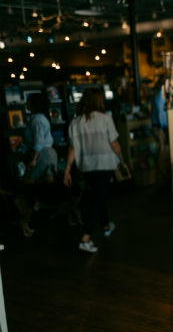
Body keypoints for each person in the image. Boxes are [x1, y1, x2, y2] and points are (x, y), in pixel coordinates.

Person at [63, 88, 126, 253]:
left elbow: (72, 149)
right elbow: (114, 144)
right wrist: (122, 159)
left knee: (99, 196)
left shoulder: (75, 123)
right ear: (98, 101)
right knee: (98, 199)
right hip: (105, 165)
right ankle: (85, 238)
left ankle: (106, 226)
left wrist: (67, 169)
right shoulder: (106, 119)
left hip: (86, 167)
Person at [17, 93, 57, 236]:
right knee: (48, 188)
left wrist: (33, 160)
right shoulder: (41, 118)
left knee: (27, 188)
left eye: (28, 101)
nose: (26, 104)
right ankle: (49, 219)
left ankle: (25, 221)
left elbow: (38, 142)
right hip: (49, 154)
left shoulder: (36, 120)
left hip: (42, 155)